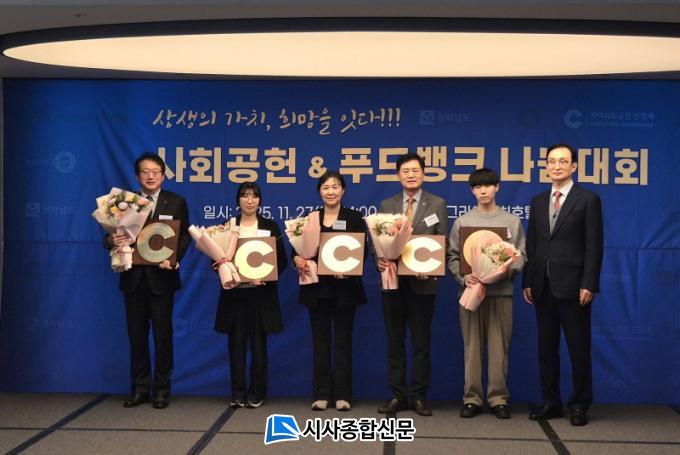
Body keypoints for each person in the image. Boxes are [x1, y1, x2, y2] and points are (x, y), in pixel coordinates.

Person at [523, 144, 603, 427]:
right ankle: (551, 402)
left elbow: (594, 246)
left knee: (578, 349)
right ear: (546, 166)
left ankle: (579, 404)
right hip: (542, 286)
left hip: (574, 286)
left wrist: (589, 283)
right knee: (546, 349)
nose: (556, 166)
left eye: (563, 161)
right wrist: (528, 280)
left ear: (574, 167)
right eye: (552, 161)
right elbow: (533, 243)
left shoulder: (588, 199)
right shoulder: (538, 200)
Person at [105, 153, 190, 409]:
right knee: (137, 337)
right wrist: (111, 240)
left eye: (155, 172)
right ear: (137, 176)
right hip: (133, 278)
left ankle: (162, 390)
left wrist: (174, 258)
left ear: (163, 176)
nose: (150, 176)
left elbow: (184, 237)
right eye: (145, 172)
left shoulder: (176, 201)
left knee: (163, 336)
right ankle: (139, 389)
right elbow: (109, 235)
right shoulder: (124, 202)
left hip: (162, 279)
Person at [447, 168, 526, 419]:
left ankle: (498, 398)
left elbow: (521, 256)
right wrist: (463, 277)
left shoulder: (511, 221)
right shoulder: (462, 222)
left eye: (488, 185)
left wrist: (504, 271)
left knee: (499, 348)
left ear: (497, 187)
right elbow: (452, 256)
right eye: (478, 187)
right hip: (470, 294)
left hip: (501, 293)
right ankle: (472, 398)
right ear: (472, 191)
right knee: (472, 347)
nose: (483, 191)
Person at [375, 153, 448, 417]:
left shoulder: (437, 203)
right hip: (392, 281)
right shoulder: (387, 203)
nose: (411, 175)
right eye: (405, 171)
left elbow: (442, 242)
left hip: (423, 285)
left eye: (415, 170)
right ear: (398, 175)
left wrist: (432, 269)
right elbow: (378, 240)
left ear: (423, 173)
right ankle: (397, 395)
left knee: (421, 343)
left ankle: (418, 396)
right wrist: (379, 260)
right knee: (394, 342)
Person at [294, 171, 367, 412]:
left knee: (343, 342)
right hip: (318, 289)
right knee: (321, 342)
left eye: (335, 186)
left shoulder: (354, 218)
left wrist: (349, 268)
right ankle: (322, 393)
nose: (331, 191)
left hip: (345, 289)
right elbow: (298, 249)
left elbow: (362, 251)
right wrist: (298, 259)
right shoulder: (310, 219)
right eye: (325, 187)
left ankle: (343, 394)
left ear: (343, 190)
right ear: (319, 192)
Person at [214, 182, 287, 409]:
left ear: (260, 200)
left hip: (260, 295)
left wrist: (266, 275)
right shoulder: (227, 226)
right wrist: (223, 269)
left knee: (258, 347)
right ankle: (238, 393)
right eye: (244, 195)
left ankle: (257, 393)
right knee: (236, 347)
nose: (249, 200)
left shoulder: (270, 226)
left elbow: (282, 260)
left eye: (254, 196)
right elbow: (216, 259)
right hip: (235, 295)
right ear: (238, 200)